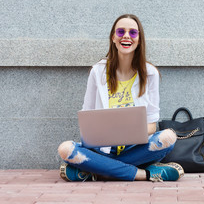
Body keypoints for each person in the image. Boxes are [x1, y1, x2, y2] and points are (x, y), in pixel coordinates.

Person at [57, 14, 184, 182]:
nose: (126, 36)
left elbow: (152, 125)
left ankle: (95, 170)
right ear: (113, 37)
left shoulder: (150, 73)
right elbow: (87, 118)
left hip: (135, 149)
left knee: (168, 137)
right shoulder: (98, 71)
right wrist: (104, 133)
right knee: (65, 149)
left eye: (132, 33)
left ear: (139, 39)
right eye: (121, 31)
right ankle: (144, 174)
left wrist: (126, 132)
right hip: (101, 149)